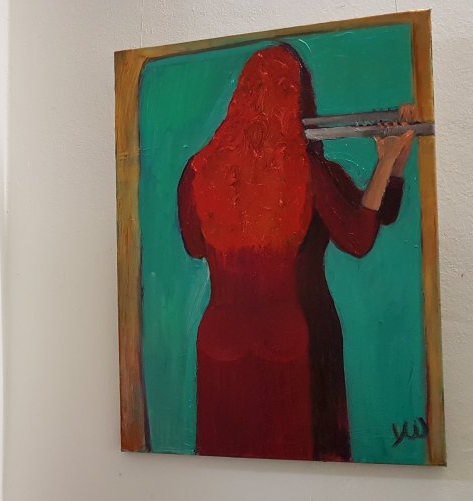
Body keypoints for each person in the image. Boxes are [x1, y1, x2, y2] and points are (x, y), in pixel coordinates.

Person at [177, 45, 414, 461]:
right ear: (299, 99)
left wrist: (390, 169)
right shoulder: (309, 170)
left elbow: (195, 247)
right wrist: (389, 164)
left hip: (219, 343)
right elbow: (359, 238)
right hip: (297, 340)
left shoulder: (196, 170)